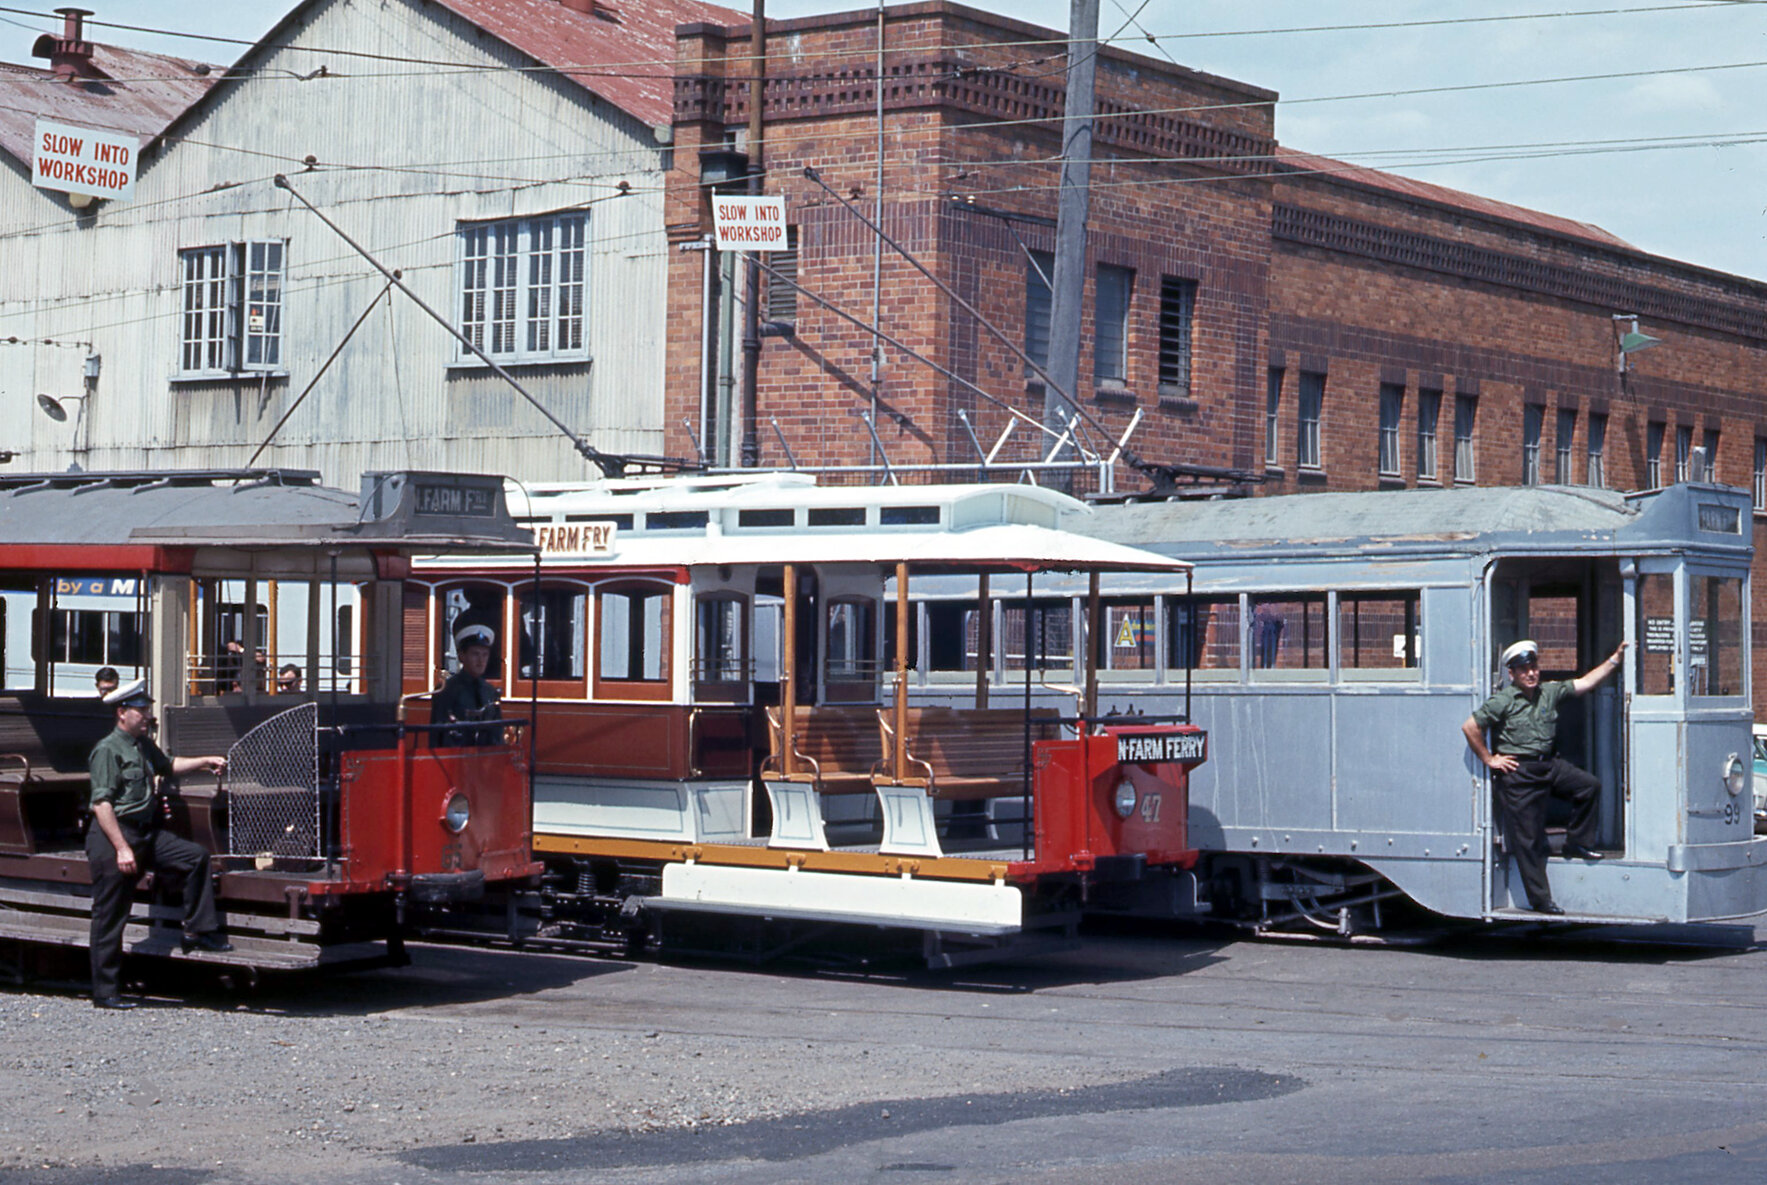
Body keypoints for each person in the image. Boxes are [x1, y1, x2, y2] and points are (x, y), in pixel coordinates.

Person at [86, 678, 231, 1009]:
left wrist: (205, 760)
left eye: (147, 710)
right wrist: (122, 848)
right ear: (122, 712)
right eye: (141, 711)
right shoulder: (108, 750)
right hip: (115, 836)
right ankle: (105, 992)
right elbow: (102, 805)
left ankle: (197, 931)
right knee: (110, 916)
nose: (147, 716)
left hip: (146, 833)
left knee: (195, 858)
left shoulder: (141, 744)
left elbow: (169, 765)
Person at [1461, 638, 1630, 916]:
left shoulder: (1548, 692)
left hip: (1548, 765)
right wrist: (1490, 759)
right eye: (1523, 669)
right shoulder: (1503, 700)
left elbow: (1586, 682)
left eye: (1534, 667)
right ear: (1512, 674)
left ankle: (1576, 842)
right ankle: (1542, 902)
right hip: (1519, 773)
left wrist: (1615, 660)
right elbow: (1470, 727)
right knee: (1529, 842)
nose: (1531, 673)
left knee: (1588, 787)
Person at [430, 624, 503, 746]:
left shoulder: (490, 692)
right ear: (461, 656)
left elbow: (497, 735)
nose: (481, 661)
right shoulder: (446, 690)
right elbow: (438, 738)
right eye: (475, 654)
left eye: (485, 655)